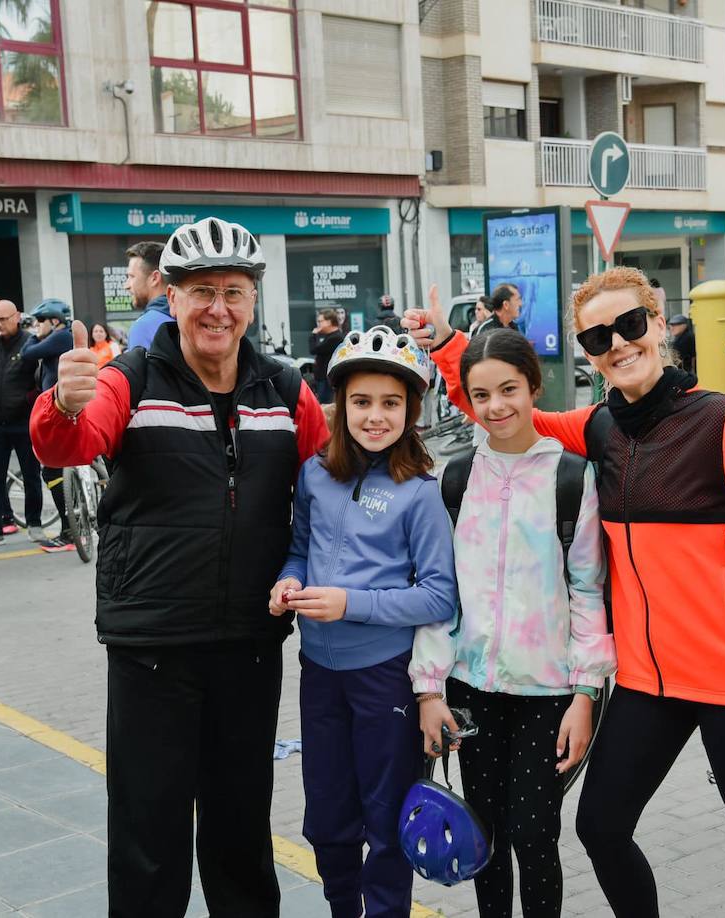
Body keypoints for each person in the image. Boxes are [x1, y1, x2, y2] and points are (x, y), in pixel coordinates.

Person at [405, 268, 725, 918]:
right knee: (600, 826)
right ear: (587, 352)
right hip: (649, 682)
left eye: (630, 325)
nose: (618, 344)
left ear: (658, 323)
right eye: (599, 337)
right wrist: (449, 348)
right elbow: (511, 412)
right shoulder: (600, 428)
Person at [30, 216, 329, 918]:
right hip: (153, 648)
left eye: (232, 291)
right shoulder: (129, 378)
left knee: (240, 831)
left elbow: (336, 479)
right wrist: (60, 404)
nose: (217, 308)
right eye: (201, 291)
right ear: (170, 295)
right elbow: (71, 443)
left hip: (249, 646)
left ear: (253, 300)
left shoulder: (286, 391)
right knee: (148, 834)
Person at [410, 328, 615, 918]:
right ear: (466, 401)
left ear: (533, 387)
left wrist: (585, 693)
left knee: (534, 836)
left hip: (549, 693)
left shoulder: (570, 477)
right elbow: (439, 595)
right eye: (481, 395)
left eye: (509, 390)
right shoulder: (454, 478)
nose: (496, 407)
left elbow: (587, 590)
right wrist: (428, 689)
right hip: (471, 688)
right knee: (485, 838)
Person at [269, 326, 456, 918]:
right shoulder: (315, 475)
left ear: (411, 409)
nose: (376, 417)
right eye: (362, 402)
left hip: (384, 678)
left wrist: (351, 603)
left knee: (385, 816)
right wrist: (288, 581)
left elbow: (439, 597)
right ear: (340, 403)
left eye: (391, 403)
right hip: (319, 673)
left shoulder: (420, 491)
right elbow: (298, 547)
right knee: (327, 815)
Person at [0, 298, 45, 543]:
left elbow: (40, 378)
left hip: (23, 420)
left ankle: (34, 523)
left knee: (31, 474)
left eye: (3, 319)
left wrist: (26, 400)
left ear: (16, 317)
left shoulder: (30, 342)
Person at [21, 299, 76, 552]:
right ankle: (72, 525)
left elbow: (27, 354)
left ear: (54, 321)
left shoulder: (62, 336)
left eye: (39, 321)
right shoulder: (59, 337)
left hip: (61, 412)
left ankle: (69, 530)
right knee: (55, 471)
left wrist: (34, 336)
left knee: (53, 470)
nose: (35, 326)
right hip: (55, 410)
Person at [124, 240, 172, 350]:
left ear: (155, 278)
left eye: (132, 276)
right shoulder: (191, 320)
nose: (126, 285)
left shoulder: (143, 327)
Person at [308, 308, 345, 403]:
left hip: (327, 380)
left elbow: (314, 350)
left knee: (325, 407)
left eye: (320, 321)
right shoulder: (331, 336)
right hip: (324, 379)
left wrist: (314, 335)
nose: (318, 324)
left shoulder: (335, 338)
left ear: (329, 322)